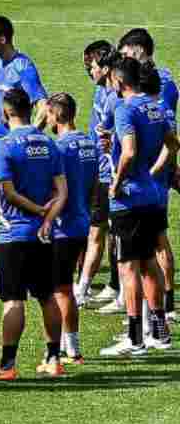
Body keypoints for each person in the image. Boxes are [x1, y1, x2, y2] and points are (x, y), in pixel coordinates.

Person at [0, 88, 67, 380]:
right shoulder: (49, 144)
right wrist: (48, 218)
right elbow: (62, 191)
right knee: (47, 296)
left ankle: (7, 365)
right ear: (30, 110)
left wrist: (38, 212)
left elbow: (8, 193)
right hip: (44, 234)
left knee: (14, 300)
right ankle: (53, 359)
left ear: (5, 112)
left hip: (14, 234)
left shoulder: (4, 145)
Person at [99, 57, 178, 356]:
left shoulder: (124, 108)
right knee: (149, 264)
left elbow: (129, 152)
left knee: (127, 267)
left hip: (129, 200)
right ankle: (160, 330)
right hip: (153, 197)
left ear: (119, 83)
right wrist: (154, 171)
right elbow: (173, 144)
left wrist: (117, 182)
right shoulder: (158, 106)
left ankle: (134, 337)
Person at [0, 15, 49, 288]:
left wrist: (30, 137)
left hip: (13, 150)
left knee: (15, 203)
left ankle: (20, 264)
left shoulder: (23, 67)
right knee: (0, 204)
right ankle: (3, 266)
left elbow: (44, 106)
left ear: (2, 38)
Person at [118, 28, 177, 321]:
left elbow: (167, 131)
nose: (124, 58)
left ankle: (166, 304)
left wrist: (157, 169)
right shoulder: (151, 79)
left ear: (138, 49)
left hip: (149, 174)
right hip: (149, 172)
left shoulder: (160, 82)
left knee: (156, 241)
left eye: (126, 52)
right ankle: (156, 312)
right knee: (148, 246)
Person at [46, 93, 99, 363]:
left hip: (63, 226)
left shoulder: (59, 148)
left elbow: (56, 189)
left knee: (61, 289)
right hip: (82, 222)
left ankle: (70, 349)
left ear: (55, 116)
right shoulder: (89, 143)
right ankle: (71, 346)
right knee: (66, 286)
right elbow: (94, 186)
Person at [79, 41, 119, 308]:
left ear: (105, 67)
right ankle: (115, 285)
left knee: (98, 231)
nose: (88, 72)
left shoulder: (116, 98)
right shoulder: (100, 92)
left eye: (90, 66)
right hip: (97, 170)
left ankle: (82, 289)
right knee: (106, 231)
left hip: (109, 174)